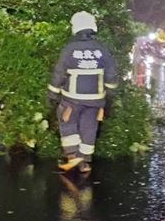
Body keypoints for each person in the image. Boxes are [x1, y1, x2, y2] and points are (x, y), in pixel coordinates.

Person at [47, 11, 118, 173]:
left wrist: (52, 93)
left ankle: (72, 156)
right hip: (96, 99)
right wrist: (110, 95)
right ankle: (85, 161)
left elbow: (59, 73)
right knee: (90, 126)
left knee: (67, 121)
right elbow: (111, 75)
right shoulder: (102, 49)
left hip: (72, 99)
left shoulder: (70, 49)